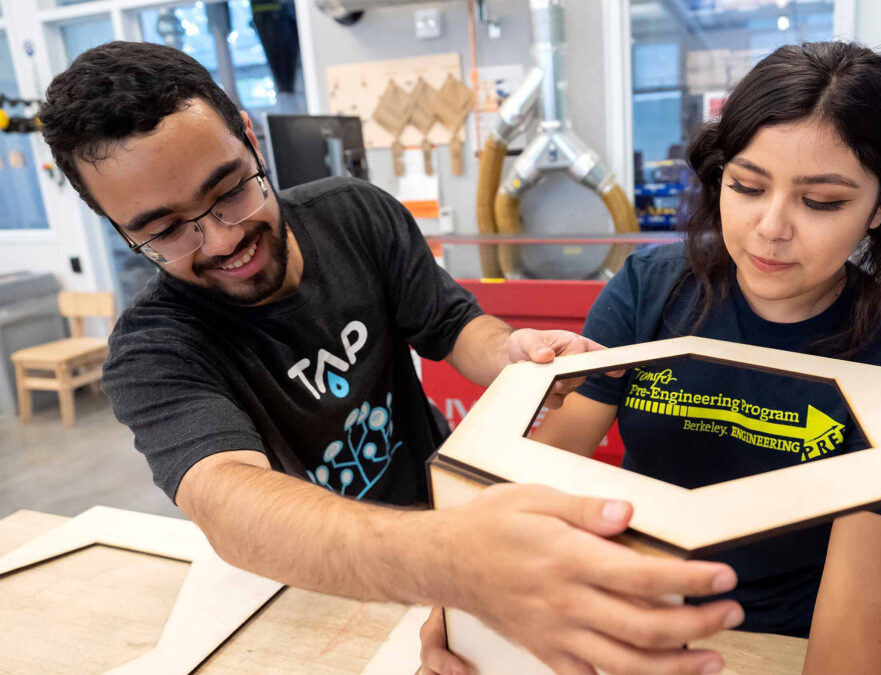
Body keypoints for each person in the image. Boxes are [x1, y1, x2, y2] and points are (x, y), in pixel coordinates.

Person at [39, 42, 744, 675]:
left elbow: (450, 323)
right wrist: (453, 561)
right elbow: (229, 500)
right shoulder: (155, 348)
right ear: (119, 228)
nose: (220, 239)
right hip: (309, 583)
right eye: (165, 231)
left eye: (229, 190)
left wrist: (510, 353)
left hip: (443, 530)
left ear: (251, 138)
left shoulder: (356, 214)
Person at [422, 41, 881, 674]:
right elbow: (542, 478)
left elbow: (862, 602)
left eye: (821, 202)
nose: (770, 227)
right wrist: (462, 610)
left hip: (776, 640)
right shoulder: (650, 289)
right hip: (621, 607)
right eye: (748, 187)